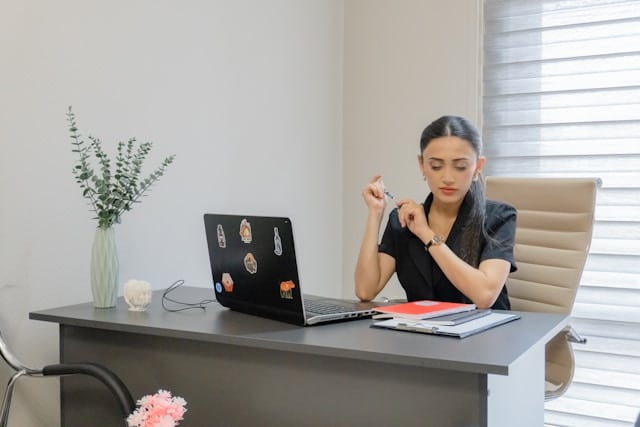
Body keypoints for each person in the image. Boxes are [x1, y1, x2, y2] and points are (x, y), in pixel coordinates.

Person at [354, 115, 516, 310]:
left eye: (460, 167)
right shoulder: (404, 221)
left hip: (486, 335)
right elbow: (365, 290)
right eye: (436, 166)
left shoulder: (498, 217)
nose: (447, 178)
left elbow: (484, 296)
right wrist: (375, 213)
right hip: (425, 336)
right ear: (422, 165)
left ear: (477, 167)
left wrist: (427, 234)